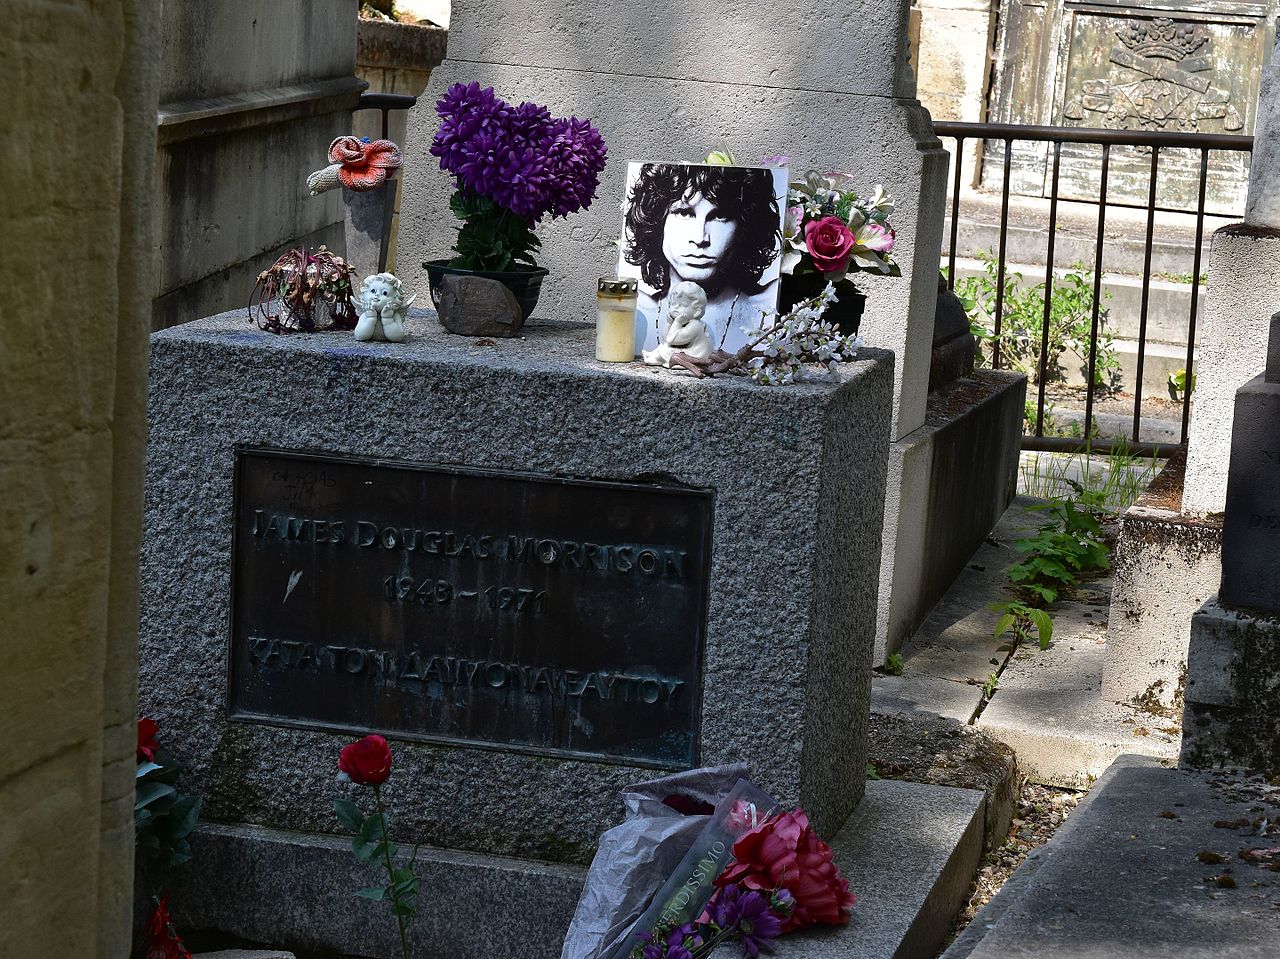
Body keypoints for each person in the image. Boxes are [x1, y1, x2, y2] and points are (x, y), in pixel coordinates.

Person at [621, 164, 782, 353]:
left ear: (744, 227)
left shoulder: (769, 309)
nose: (700, 238)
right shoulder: (631, 309)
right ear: (657, 220)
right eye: (684, 213)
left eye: (720, 216)